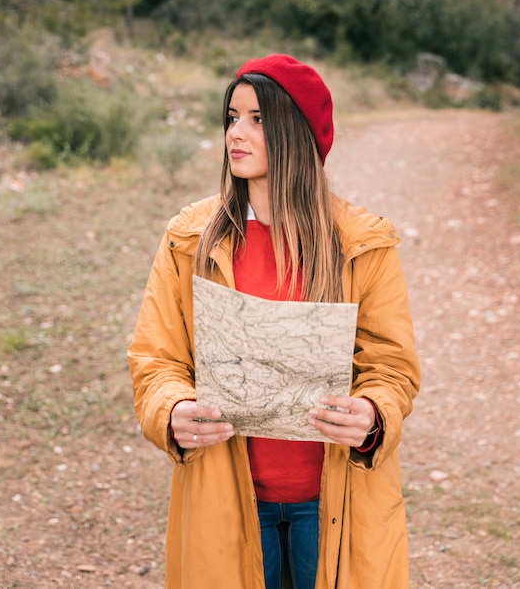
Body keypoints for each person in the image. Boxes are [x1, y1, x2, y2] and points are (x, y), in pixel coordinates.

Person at [128, 54, 420, 589]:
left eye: (258, 119)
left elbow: (391, 367)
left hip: (333, 503)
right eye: (232, 117)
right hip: (227, 498)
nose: (236, 133)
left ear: (297, 133)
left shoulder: (363, 244)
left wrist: (373, 414)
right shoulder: (189, 239)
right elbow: (156, 359)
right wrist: (170, 409)